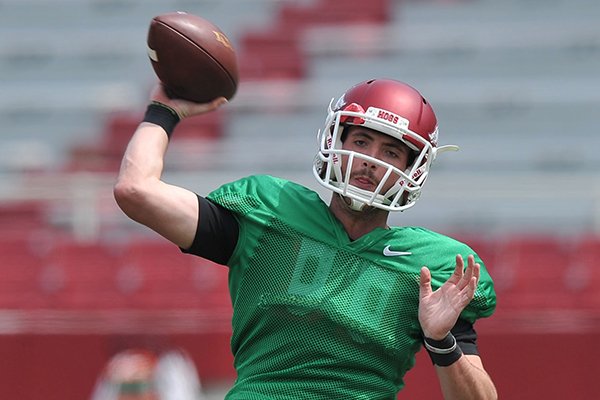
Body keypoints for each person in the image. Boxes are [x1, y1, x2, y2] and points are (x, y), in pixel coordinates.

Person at [114, 78, 498, 399]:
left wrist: (441, 340)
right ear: (336, 143)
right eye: (361, 142)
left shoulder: (431, 268)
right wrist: (164, 111)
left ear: (411, 170)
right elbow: (135, 191)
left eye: (391, 151)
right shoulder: (270, 214)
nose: (370, 159)